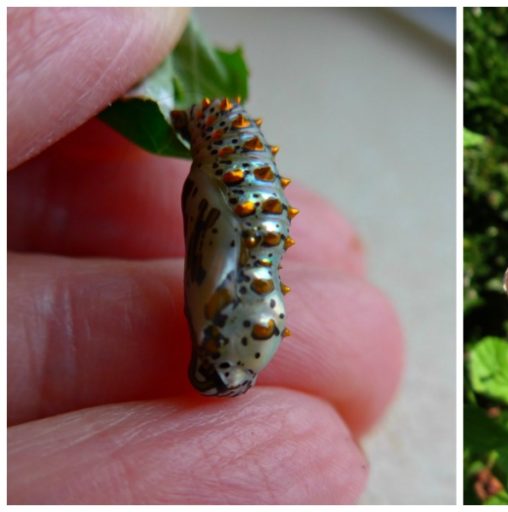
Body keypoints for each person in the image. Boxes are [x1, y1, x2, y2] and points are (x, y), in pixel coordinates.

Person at [8, 8, 403, 503]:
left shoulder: (240, 307)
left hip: (241, 189)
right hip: (234, 173)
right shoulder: (227, 306)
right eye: (213, 366)